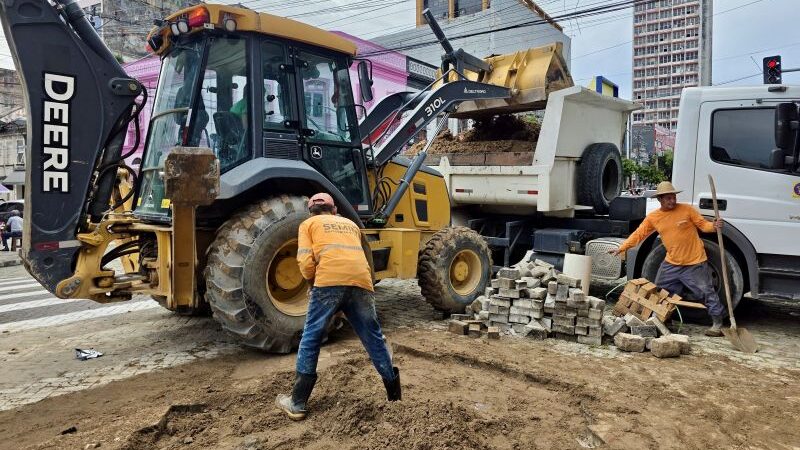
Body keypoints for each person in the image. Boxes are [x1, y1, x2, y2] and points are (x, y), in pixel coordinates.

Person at [276, 193, 400, 421]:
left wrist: (312, 284)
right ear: (334, 211)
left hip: (328, 283)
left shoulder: (308, 224)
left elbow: (305, 261)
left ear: (311, 211)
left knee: (311, 337)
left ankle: (298, 403)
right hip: (361, 282)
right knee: (373, 336)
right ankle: (394, 397)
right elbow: (365, 256)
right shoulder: (351, 224)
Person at [612, 181, 726, 337]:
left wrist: (714, 226)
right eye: (668, 198)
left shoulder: (687, 210)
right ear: (660, 200)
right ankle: (665, 319)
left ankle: (717, 323)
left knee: (706, 291)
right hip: (671, 264)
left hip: (695, 262)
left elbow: (703, 225)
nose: (672, 201)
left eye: (673, 197)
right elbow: (639, 234)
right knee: (661, 293)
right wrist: (622, 247)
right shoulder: (654, 217)